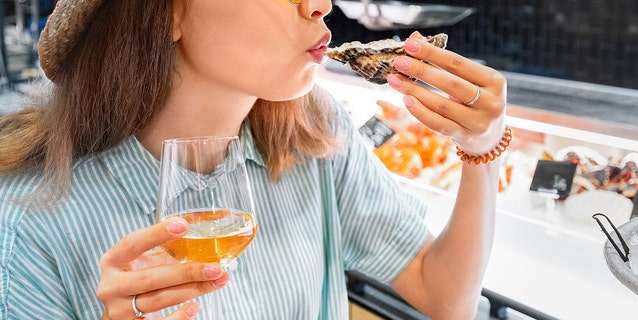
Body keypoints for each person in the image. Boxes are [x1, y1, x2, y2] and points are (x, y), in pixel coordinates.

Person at [0, 0, 509, 319]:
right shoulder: (33, 220)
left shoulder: (317, 133)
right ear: (169, 12)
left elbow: (445, 300)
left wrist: (483, 146)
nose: (319, 6)